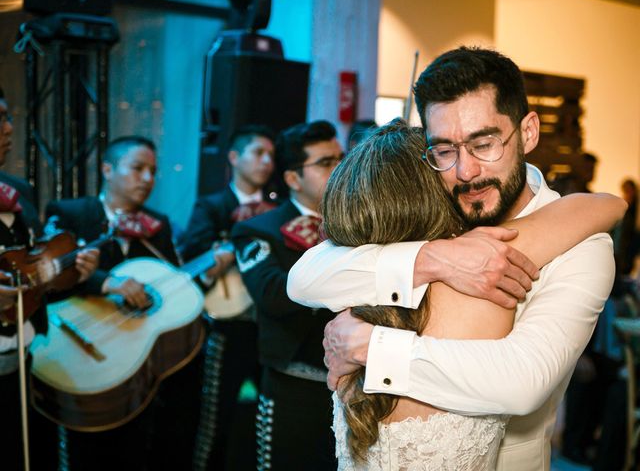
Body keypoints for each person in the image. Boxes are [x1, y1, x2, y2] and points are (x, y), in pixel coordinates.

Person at [288, 46, 617, 469]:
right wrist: (434, 259)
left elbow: (523, 382)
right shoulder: (434, 205)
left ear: (529, 132)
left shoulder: (582, 246)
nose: (465, 171)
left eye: (484, 144)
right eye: (444, 149)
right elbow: (304, 278)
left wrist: (372, 346)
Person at [45, 136, 199, 470]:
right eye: (138, 168)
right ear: (107, 169)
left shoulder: (157, 226)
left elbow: (172, 283)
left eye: (153, 171)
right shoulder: (69, 213)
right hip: (72, 346)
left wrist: (206, 273)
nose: (147, 179)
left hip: (130, 360)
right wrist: (105, 282)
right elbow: (49, 276)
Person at [230, 120, 343, 470]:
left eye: (341, 159)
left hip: (356, 389)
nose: (339, 169)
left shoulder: (361, 224)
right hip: (294, 386)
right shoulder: (257, 230)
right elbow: (273, 295)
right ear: (293, 179)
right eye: (325, 163)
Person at [0, 86, 99, 470]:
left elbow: (32, 268)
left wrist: (71, 275)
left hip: (20, 363)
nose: (9, 129)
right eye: (0, 119)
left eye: (9, 118)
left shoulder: (18, 191)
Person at [178, 124, 277, 470]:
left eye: (271, 156)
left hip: (266, 324)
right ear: (234, 158)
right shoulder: (212, 205)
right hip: (227, 325)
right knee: (214, 416)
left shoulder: (277, 207)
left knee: (261, 415)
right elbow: (191, 255)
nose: (266, 162)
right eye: (258, 153)